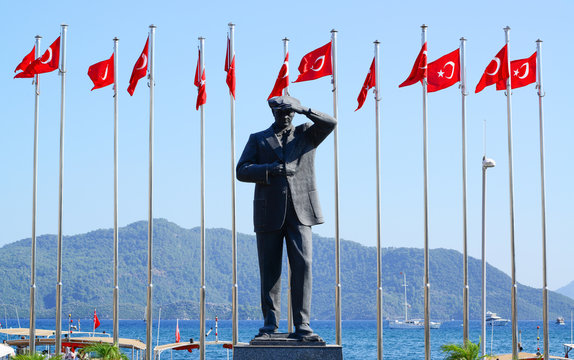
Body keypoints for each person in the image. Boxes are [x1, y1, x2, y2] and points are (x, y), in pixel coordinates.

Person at [236, 95, 336, 338]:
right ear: (274, 114)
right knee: (269, 270)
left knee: (303, 266)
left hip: (302, 212)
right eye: (282, 113)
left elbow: (331, 123)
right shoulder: (258, 139)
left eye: (290, 112)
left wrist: (303, 109)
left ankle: (303, 324)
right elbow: (241, 170)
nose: (287, 116)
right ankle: (269, 325)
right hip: (268, 213)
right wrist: (270, 170)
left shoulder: (307, 134)